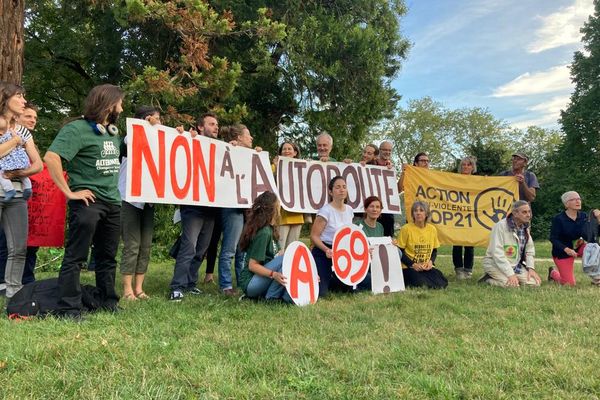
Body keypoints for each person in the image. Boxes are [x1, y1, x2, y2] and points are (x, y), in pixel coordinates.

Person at [45, 84, 124, 318]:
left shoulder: (111, 131)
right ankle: (68, 308)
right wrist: (70, 192)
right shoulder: (76, 130)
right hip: (88, 202)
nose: (122, 107)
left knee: (107, 256)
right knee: (76, 257)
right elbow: (51, 157)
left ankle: (107, 302)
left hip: (113, 202)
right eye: (120, 102)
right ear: (110, 104)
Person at [0, 82, 43, 299]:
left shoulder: (25, 130)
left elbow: (38, 164)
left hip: (16, 195)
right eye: (19, 96)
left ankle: (14, 296)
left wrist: (18, 173)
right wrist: (16, 140)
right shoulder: (17, 134)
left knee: (18, 249)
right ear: (5, 98)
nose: (24, 101)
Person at [118, 106, 161, 300]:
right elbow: (129, 140)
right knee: (132, 244)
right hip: (130, 199)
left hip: (148, 201)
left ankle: (139, 288)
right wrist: (146, 126)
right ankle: (127, 289)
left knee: (145, 246)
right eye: (156, 119)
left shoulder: (157, 145)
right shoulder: (129, 140)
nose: (159, 123)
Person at [217, 124, 261, 296]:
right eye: (248, 135)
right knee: (229, 249)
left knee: (242, 249)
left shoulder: (250, 155)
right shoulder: (228, 151)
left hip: (246, 208)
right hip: (231, 206)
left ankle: (241, 281)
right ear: (239, 138)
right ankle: (226, 285)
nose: (251, 138)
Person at [238, 191, 290, 301]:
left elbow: (277, 255)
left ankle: (268, 296)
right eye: (278, 204)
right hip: (250, 282)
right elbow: (253, 266)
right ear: (273, 208)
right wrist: (273, 274)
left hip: (261, 279)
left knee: (288, 258)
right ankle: (271, 297)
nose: (280, 207)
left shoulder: (271, 229)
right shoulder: (264, 232)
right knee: (286, 259)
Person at [310, 176, 355, 296]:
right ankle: (323, 278)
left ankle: (332, 279)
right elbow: (314, 236)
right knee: (321, 293)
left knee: (349, 290)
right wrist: (326, 250)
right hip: (323, 251)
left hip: (342, 252)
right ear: (331, 192)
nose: (342, 190)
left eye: (344, 187)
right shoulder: (325, 211)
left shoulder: (350, 210)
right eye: (338, 187)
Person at [480, 200, 541, 288]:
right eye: (524, 212)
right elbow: (497, 253)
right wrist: (510, 274)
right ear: (515, 213)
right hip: (494, 264)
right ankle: (488, 279)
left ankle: (509, 278)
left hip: (515, 265)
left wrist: (531, 268)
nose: (528, 215)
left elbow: (529, 250)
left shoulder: (525, 227)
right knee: (512, 286)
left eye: (529, 212)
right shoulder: (500, 226)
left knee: (535, 283)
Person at [549, 191, 600, 286]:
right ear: (566, 204)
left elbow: (594, 235)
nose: (578, 201)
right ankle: (553, 273)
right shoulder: (558, 219)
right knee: (569, 284)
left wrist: (598, 219)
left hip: (579, 247)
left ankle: (597, 279)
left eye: (579, 199)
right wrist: (567, 249)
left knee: (595, 249)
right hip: (562, 252)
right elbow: (553, 238)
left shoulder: (584, 216)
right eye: (573, 199)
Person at [396, 201, 448, 289]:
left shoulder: (432, 229)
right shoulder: (406, 229)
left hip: (425, 267)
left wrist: (431, 262)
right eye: (415, 211)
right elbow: (399, 251)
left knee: (442, 282)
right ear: (413, 214)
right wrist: (413, 264)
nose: (418, 213)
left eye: (421, 210)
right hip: (409, 267)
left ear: (427, 213)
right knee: (422, 284)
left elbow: (434, 250)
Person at [273, 140, 304, 250]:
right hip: (282, 214)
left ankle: (288, 268)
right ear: (280, 152)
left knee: (292, 250)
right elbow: (270, 184)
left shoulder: (303, 168)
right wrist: (276, 169)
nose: (286, 151)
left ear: (295, 153)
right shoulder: (274, 166)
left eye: (289, 149)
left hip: (297, 214)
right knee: (280, 249)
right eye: (284, 149)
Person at [453, 156, 477, 280]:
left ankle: (468, 270)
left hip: (471, 216)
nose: (466, 167)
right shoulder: (454, 180)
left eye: (468, 165)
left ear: (473, 167)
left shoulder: (478, 181)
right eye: (464, 165)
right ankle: (458, 269)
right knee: (456, 242)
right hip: (456, 215)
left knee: (469, 243)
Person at [376, 141, 396, 236]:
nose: (387, 152)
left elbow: (397, 190)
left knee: (388, 239)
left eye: (389, 150)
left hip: (387, 211)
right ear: (379, 150)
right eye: (385, 150)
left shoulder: (391, 168)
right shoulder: (370, 164)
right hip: (373, 209)